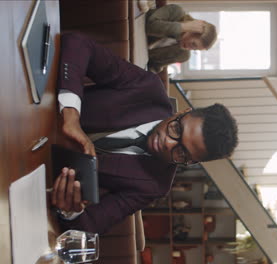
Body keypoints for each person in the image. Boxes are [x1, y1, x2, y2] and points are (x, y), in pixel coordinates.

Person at [51, 32, 238, 234]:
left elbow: (88, 227)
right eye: (176, 129)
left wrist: (71, 211)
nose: (168, 143)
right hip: (32, 116)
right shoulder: (147, 88)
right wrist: (71, 115)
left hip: (41, 177)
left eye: (182, 153)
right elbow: (79, 43)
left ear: (191, 162)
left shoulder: (155, 185)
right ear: (183, 112)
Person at [145, 4, 217, 73]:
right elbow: (149, 26)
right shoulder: (176, 12)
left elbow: (155, 66)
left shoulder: (183, 55)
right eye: (193, 44)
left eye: (194, 49)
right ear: (195, 29)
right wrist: (183, 27)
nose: (189, 48)